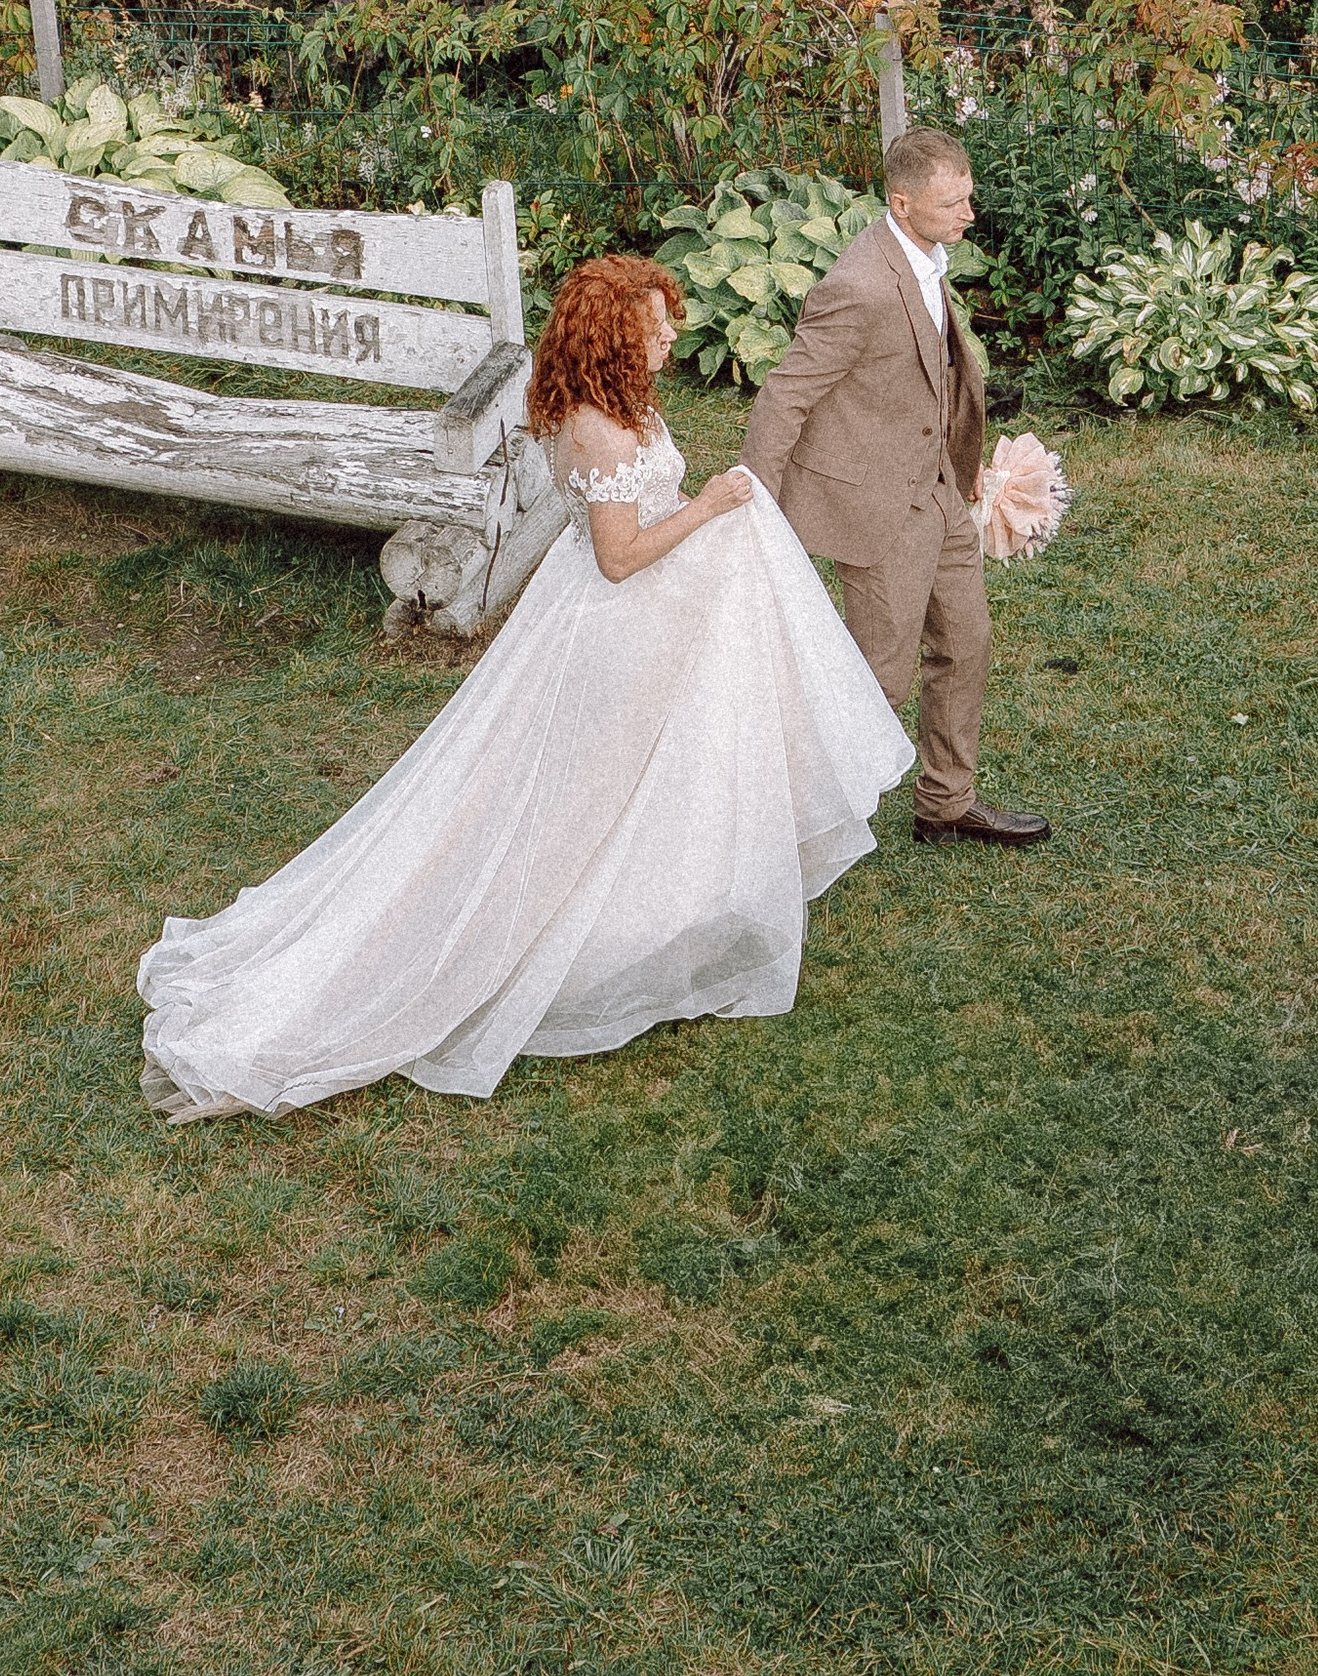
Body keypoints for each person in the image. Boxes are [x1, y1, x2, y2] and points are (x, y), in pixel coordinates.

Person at [137, 255, 912, 1116]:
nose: (669, 335)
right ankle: (538, 942)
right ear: (612, 338)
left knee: (646, 774)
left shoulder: (614, 407)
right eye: (654, 326)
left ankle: (644, 917)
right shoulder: (599, 430)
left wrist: (703, 517)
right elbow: (620, 559)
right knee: (583, 798)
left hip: (629, 608)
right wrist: (711, 509)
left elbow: (639, 515)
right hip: (615, 624)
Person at [742, 128, 1049, 850]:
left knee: (967, 643)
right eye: (953, 204)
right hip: (876, 505)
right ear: (901, 203)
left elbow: (931, 375)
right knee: (879, 681)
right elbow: (784, 398)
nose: (969, 215)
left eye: (969, 197)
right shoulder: (860, 284)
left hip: (937, 490)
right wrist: (755, 506)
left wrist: (959, 457)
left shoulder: (925, 258)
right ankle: (789, 831)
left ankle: (946, 802)